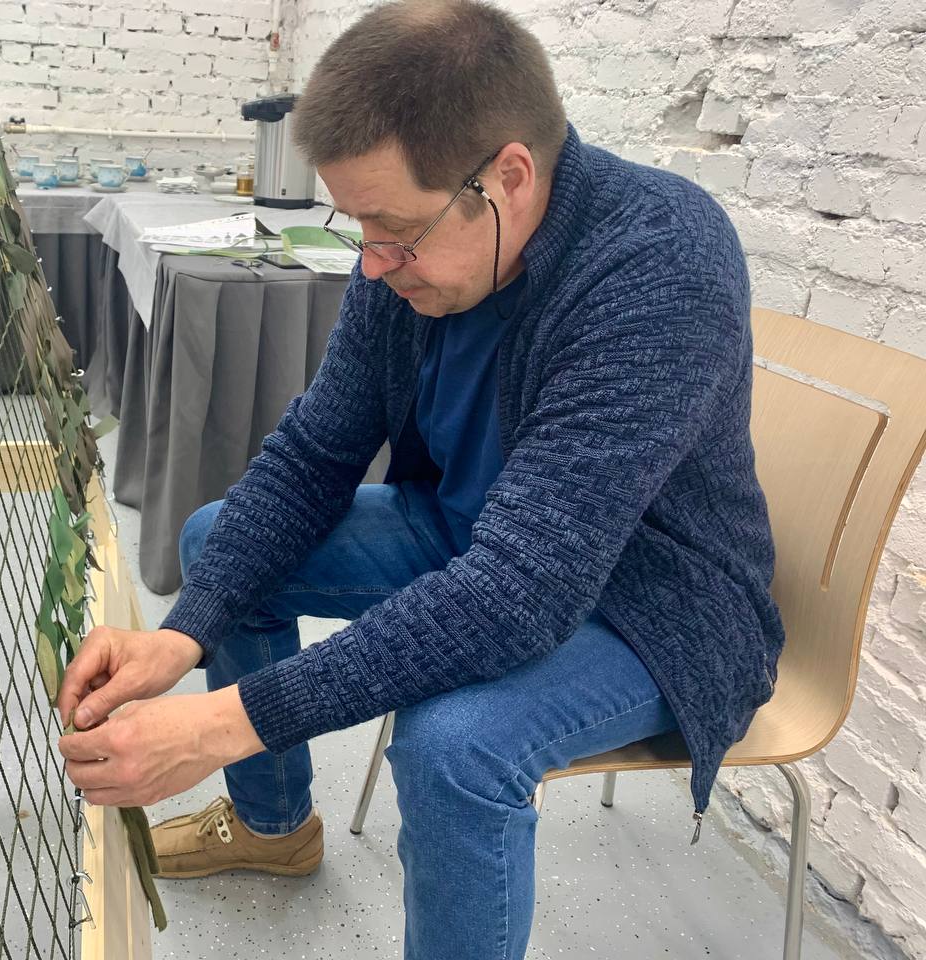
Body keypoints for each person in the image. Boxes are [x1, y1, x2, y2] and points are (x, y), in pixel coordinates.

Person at [56, 1, 784, 955]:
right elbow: (316, 453)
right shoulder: (408, 262)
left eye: (394, 228)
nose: (371, 263)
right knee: (219, 545)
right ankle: (274, 828)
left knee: (452, 745)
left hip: (648, 601)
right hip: (474, 533)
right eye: (358, 224)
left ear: (509, 177)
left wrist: (223, 724)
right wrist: (184, 634)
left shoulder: (659, 263)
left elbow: (520, 592)